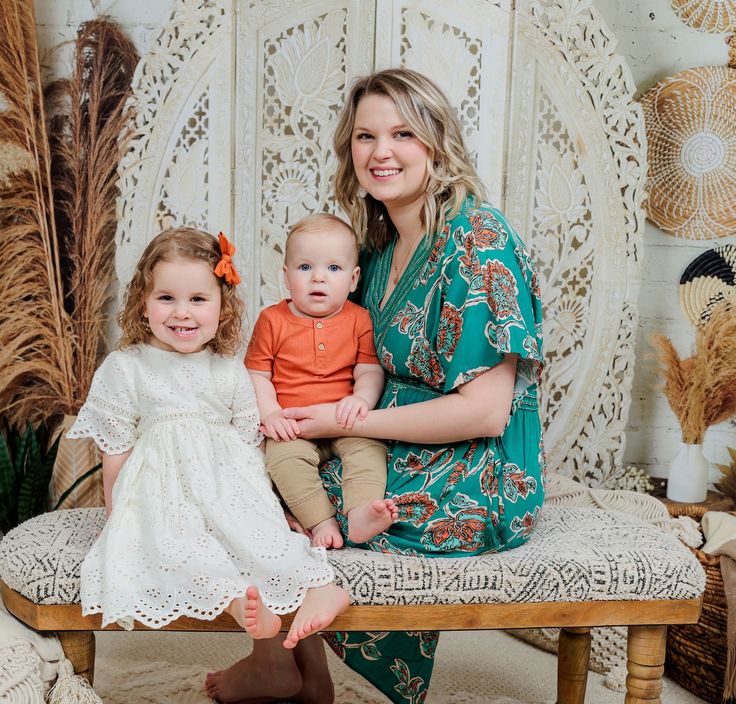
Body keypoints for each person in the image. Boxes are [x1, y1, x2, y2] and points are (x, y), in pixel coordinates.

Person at [205, 68, 544, 704]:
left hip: (475, 466)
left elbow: (488, 414)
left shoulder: (480, 240)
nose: (380, 152)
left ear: (437, 144)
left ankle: (282, 663)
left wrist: (340, 421)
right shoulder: (381, 248)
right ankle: (302, 674)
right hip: (384, 437)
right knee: (247, 475)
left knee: (300, 510)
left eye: (402, 133)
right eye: (365, 135)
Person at [66, 228, 349, 649]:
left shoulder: (227, 368)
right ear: (143, 304)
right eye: (166, 298)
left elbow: (253, 447)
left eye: (198, 299)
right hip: (163, 494)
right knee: (174, 544)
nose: (182, 313)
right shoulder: (126, 367)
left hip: (228, 488)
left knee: (263, 540)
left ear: (222, 306)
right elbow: (116, 449)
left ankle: (321, 588)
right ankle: (236, 600)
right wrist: (115, 514)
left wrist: (274, 509)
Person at [245, 213, 397, 549]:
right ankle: (321, 520)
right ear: (285, 276)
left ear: (354, 278)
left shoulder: (359, 319)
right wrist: (271, 414)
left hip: (344, 420)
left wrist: (362, 400)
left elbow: (369, 370)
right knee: (283, 462)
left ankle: (360, 515)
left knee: (370, 451)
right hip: (293, 424)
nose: (318, 279)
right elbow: (258, 375)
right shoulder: (272, 320)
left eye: (333, 269)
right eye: (304, 268)